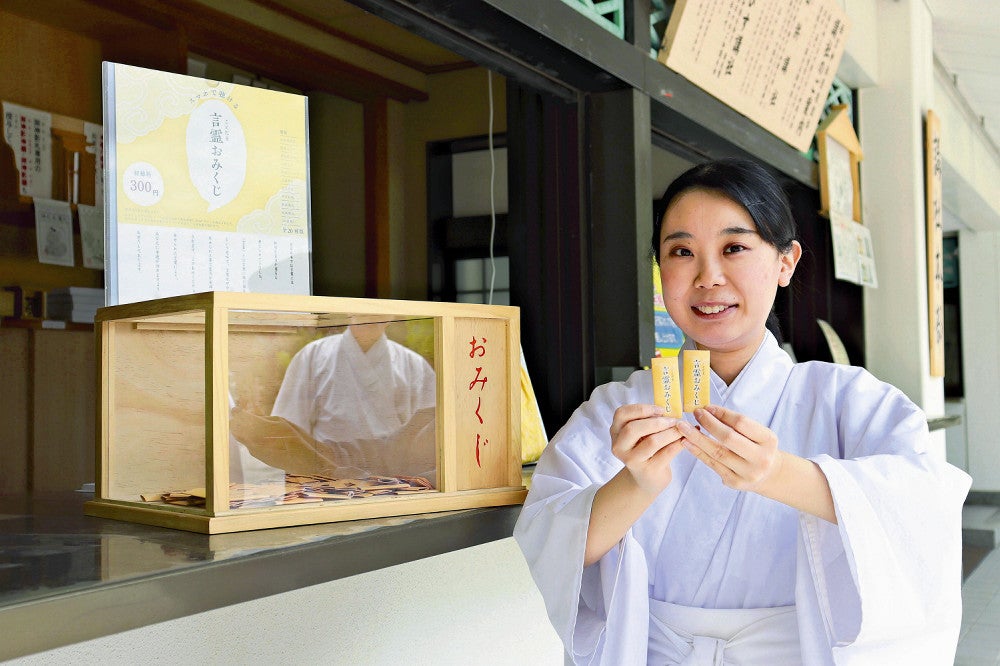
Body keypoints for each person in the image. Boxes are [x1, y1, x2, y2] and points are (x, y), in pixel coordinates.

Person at [513, 158, 971, 664]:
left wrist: (781, 474)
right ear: (660, 269)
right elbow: (543, 548)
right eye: (682, 252)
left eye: (734, 248)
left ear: (785, 262)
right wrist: (636, 484)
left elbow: (923, 505)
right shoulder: (618, 409)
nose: (708, 277)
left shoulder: (849, 400)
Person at [230, 318, 437, 481]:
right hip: (323, 479)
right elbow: (289, 427)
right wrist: (309, 453)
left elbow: (413, 448)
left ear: (391, 315)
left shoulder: (414, 365)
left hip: (392, 486)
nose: (370, 316)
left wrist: (330, 466)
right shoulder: (313, 355)